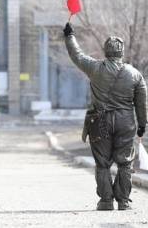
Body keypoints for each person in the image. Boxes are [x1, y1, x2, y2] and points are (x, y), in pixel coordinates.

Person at [64, 23, 147, 211]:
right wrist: (142, 124)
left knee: (102, 163)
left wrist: (70, 36)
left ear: (105, 51)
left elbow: (76, 55)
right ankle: (123, 201)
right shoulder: (135, 74)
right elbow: (142, 102)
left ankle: (106, 201)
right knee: (125, 162)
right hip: (126, 121)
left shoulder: (94, 68)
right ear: (122, 52)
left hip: (99, 121)